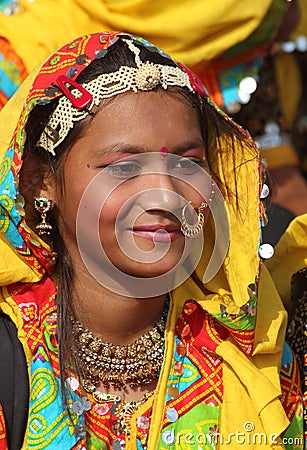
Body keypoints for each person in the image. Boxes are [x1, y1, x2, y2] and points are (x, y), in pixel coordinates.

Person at [0, 31, 303, 449]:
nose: (165, 194)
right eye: (123, 168)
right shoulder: (11, 358)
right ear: (41, 181)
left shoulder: (257, 353)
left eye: (187, 163)